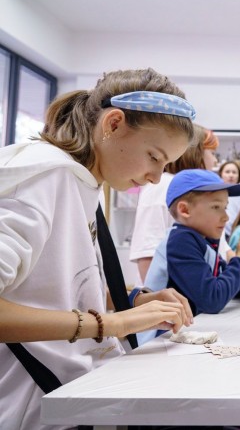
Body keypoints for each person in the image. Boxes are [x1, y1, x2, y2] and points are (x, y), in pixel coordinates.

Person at [0, 68, 195, 430]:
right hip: (28, 407)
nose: (155, 177)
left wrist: (133, 300)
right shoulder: (40, 177)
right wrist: (114, 322)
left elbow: (53, 288)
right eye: (154, 157)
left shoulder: (84, 182)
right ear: (114, 124)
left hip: (73, 397)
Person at [145, 169, 240, 316]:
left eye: (225, 207)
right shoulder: (181, 242)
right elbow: (212, 301)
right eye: (216, 207)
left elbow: (239, 291)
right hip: (157, 336)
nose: (226, 217)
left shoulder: (204, 241)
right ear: (185, 210)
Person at [129, 125, 222, 280]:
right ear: (196, 153)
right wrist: (157, 296)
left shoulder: (196, 192)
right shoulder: (163, 185)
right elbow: (148, 251)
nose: (215, 160)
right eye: (212, 153)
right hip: (171, 297)